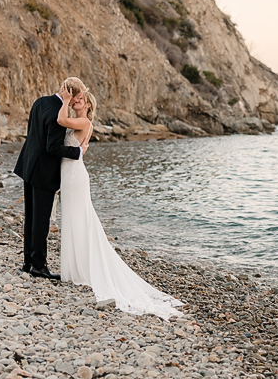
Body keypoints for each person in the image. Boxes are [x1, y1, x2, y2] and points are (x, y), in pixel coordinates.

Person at [56, 86, 182, 320]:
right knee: (74, 220)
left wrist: (63, 99)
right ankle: (76, 270)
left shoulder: (82, 122)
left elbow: (60, 119)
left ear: (88, 106)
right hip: (70, 173)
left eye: (80, 99)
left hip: (75, 177)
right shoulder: (79, 121)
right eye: (75, 98)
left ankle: (83, 271)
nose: (75, 100)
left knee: (80, 219)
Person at [14, 77, 88, 280]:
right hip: (44, 172)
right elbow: (53, 148)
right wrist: (78, 152)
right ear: (71, 94)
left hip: (28, 166)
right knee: (41, 221)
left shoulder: (40, 102)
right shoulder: (58, 113)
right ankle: (39, 266)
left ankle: (28, 262)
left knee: (31, 217)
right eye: (79, 96)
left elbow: (32, 134)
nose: (79, 101)